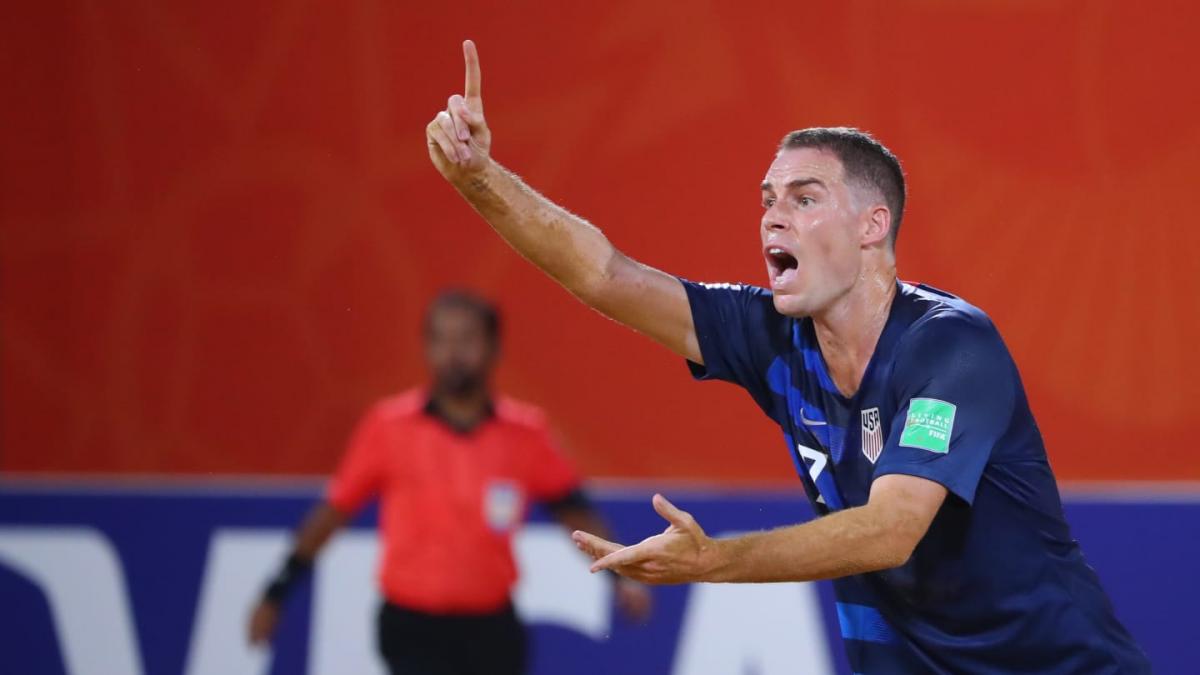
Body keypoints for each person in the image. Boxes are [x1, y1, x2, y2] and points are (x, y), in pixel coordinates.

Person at [422, 40, 1152, 674]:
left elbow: (891, 530)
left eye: (804, 198)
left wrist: (716, 561)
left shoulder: (951, 345)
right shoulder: (773, 333)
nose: (774, 215)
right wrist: (481, 180)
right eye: (768, 198)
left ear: (873, 225)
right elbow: (607, 276)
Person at [247, 290, 651, 675]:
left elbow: (573, 511)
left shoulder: (525, 434)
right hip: (412, 626)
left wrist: (619, 575)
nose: (453, 353)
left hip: (492, 628)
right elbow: (332, 513)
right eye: (441, 340)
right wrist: (276, 591)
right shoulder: (389, 427)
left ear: (494, 348)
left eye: (467, 339)